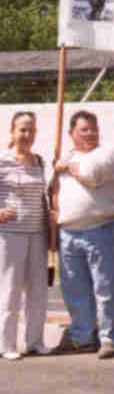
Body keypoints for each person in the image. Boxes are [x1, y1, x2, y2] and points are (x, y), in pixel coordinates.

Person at [52, 110, 114, 359]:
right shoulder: (64, 157)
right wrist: (58, 168)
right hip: (68, 232)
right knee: (75, 290)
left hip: (101, 229)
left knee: (105, 289)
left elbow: (92, 176)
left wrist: (66, 167)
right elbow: (52, 191)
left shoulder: (107, 154)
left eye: (94, 128)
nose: (91, 133)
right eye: (85, 129)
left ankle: (109, 339)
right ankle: (82, 338)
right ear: (71, 133)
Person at [0, 111, 51, 359]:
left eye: (31, 130)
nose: (27, 134)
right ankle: (6, 344)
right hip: (10, 235)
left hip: (37, 234)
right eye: (22, 129)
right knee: (10, 290)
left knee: (38, 291)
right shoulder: (2, 160)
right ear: (12, 131)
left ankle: (35, 341)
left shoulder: (39, 161)